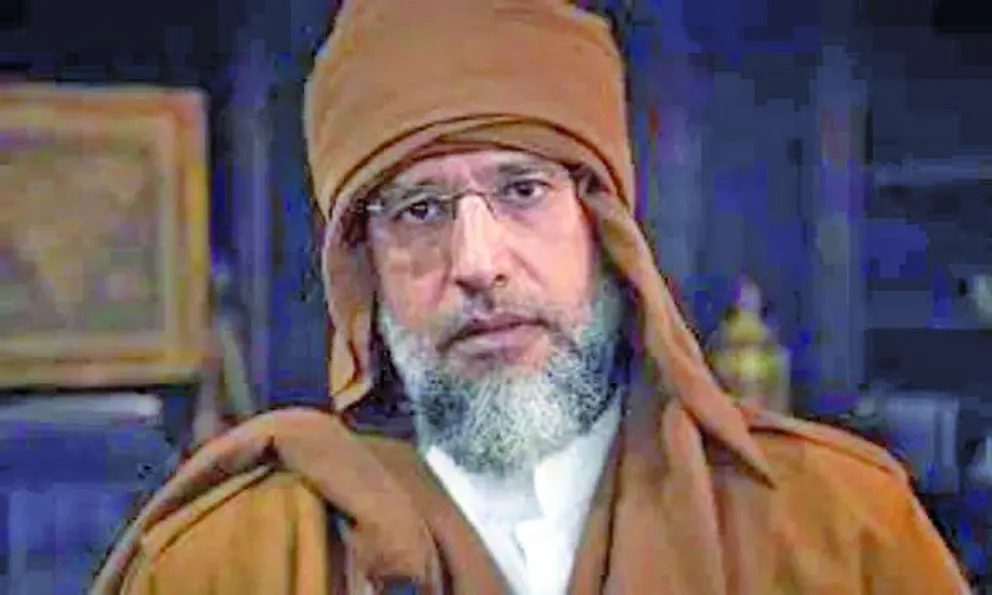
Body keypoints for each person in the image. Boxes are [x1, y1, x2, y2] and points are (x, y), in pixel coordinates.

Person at [92, 1, 970, 593]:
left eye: (522, 191)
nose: (477, 263)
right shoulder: (226, 564)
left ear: (605, 229)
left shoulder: (843, 529)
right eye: (420, 210)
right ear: (363, 271)